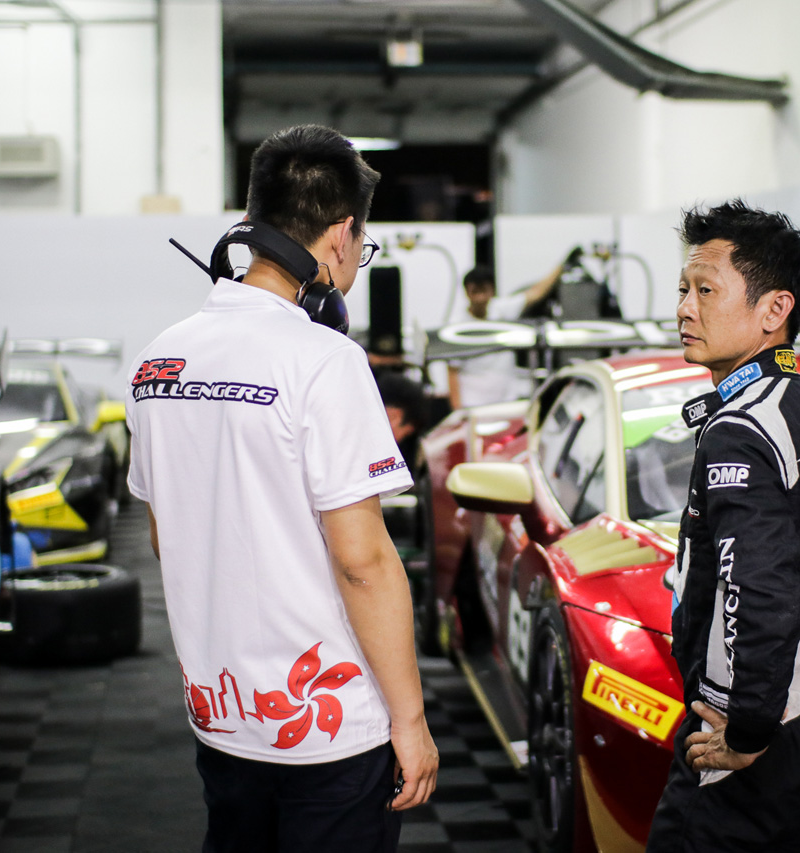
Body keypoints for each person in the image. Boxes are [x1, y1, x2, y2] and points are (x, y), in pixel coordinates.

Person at [124, 124, 437, 853]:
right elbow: (363, 562)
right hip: (331, 725)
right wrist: (411, 720)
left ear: (251, 221)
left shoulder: (157, 360)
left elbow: (168, 536)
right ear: (341, 235)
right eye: (362, 244)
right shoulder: (324, 360)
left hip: (222, 710)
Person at [646, 200, 800, 853]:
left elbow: (761, 591)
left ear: (775, 310)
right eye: (683, 289)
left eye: (706, 290)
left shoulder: (743, 430)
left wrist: (746, 730)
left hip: (755, 733)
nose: (685, 308)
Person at [445, 257, 568, 409]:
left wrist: (562, 264)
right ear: (466, 292)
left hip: (507, 401)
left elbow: (536, 293)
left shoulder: (502, 310)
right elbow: (452, 371)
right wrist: (458, 411)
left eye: (484, 291)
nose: (480, 298)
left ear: (492, 291)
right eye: (475, 292)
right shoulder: (457, 327)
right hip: (473, 405)